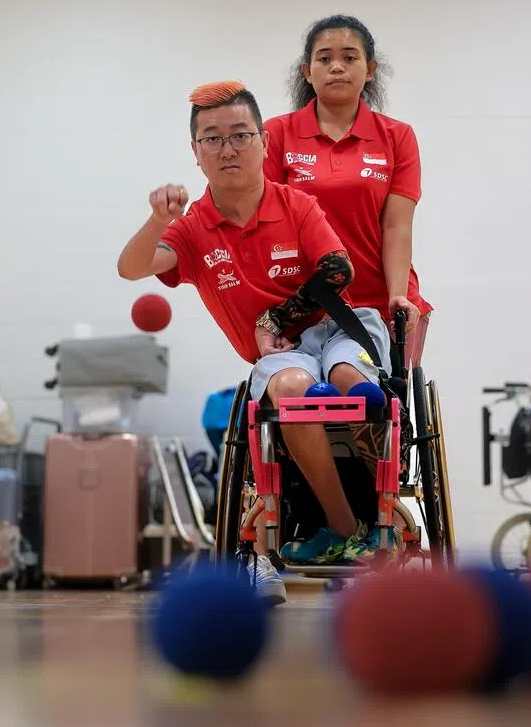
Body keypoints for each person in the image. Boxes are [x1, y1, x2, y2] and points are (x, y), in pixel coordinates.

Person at [116, 80, 395, 604]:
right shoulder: (193, 228)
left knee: (347, 373)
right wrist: (157, 220)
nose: (228, 148)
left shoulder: (297, 204)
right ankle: (343, 524)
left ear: (264, 142)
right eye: (213, 138)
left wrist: (275, 315)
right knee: (289, 388)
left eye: (240, 134)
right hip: (285, 355)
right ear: (196, 151)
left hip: (341, 328)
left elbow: (338, 270)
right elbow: (131, 268)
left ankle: (374, 487)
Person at [263, 14, 433, 369]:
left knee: (377, 400)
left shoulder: (397, 136)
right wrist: (277, 311)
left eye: (349, 57)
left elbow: (397, 226)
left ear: (369, 69)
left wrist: (398, 298)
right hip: (307, 306)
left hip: (382, 302)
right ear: (307, 71)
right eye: (324, 58)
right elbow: (267, 227)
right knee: (302, 398)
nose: (337, 67)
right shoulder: (276, 134)